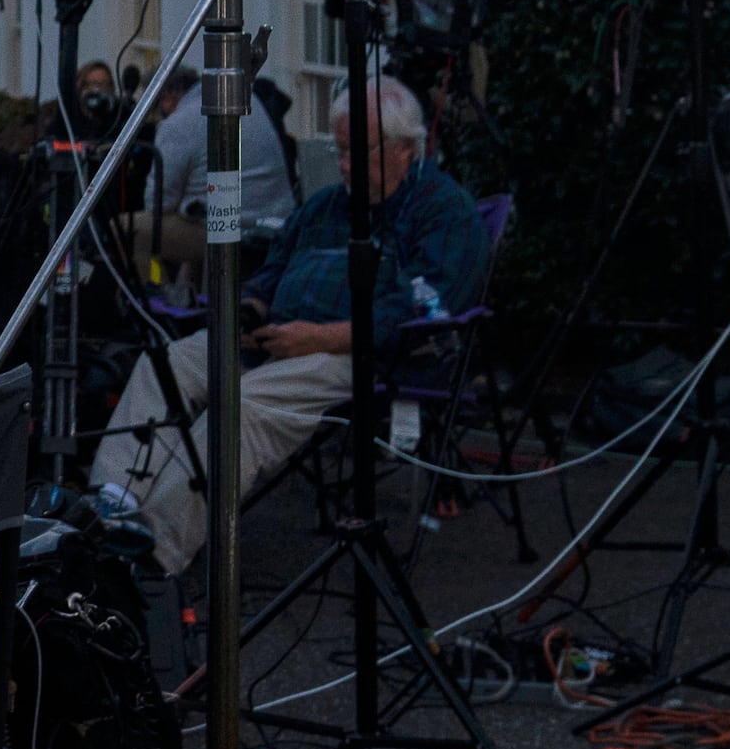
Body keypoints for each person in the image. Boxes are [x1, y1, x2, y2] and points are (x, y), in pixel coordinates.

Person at [85, 75, 489, 573]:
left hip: (359, 354)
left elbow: (428, 309)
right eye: (339, 151)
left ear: (406, 148)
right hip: (277, 339)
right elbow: (272, 273)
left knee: (242, 407)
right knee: (165, 365)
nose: (343, 167)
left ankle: (152, 554)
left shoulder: (444, 212)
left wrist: (320, 337)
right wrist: (249, 312)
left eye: (356, 153)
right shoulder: (325, 207)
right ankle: (110, 506)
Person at [127, 61, 297, 278]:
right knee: (192, 225)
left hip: (230, 228)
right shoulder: (245, 98)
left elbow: (158, 203)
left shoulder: (178, 124)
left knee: (128, 228)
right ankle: (187, 299)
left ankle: (154, 297)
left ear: (167, 97)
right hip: (278, 222)